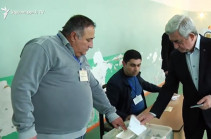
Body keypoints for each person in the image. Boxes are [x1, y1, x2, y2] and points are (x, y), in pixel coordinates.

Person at [11, 15, 126, 139]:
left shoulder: (80, 56)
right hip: (51, 136)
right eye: (89, 40)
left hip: (79, 133)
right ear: (74, 36)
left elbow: (93, 86)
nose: (91, 45)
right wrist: (26, 130)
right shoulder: (43, 48)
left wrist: (110, 113)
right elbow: (22, 88)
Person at [138, 15, 211, 139]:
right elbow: (169, 87)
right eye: (172, 42)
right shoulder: (175, 56)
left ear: (192, 36)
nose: (175, 46)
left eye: (178, 41)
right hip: (191, 113)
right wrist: (152, 113)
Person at [106, 49, 160, 122]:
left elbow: (145, 84)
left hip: (142, 114)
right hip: (130, 120)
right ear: (124, 64)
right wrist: (126, 117)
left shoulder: (135, 75)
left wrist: (162, 89)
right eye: (132, 65)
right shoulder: (115, 83)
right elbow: (110, 109)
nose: (136, 69)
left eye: (138, 65)